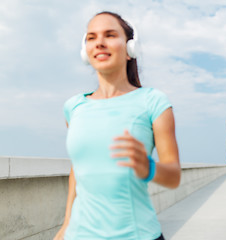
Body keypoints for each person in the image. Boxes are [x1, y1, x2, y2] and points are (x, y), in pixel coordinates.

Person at [54, 11, 180, 240]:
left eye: (110, 35)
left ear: (130, 48)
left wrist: (147, 166)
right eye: (91, 38)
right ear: (86, 51)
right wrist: (66, 226)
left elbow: (173, 176)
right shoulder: (73, 107)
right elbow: (78, 171)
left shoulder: (154, 102)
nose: (99, 43)